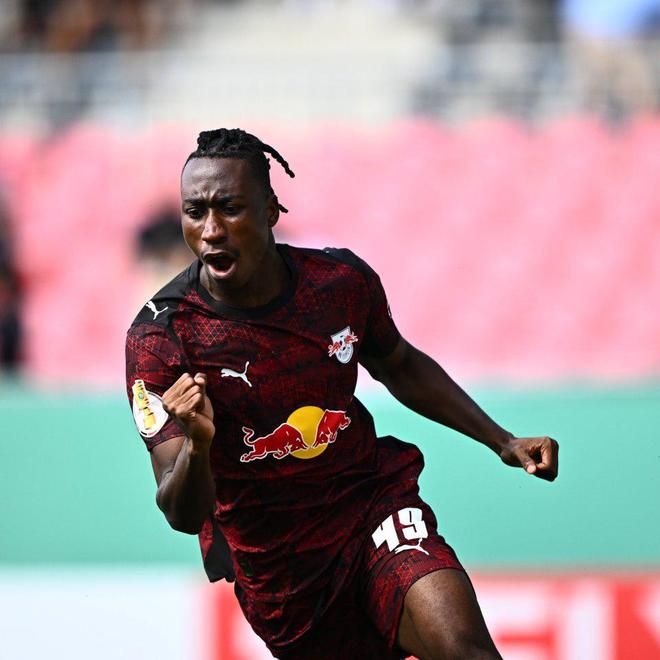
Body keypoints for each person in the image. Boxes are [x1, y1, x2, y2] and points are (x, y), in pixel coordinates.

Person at [125, 128, 559, 659]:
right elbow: (182, 513)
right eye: (195, 213)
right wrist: (197, 442)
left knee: (467, 651)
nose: (211, 230)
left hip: (371, 504)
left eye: (230, 209)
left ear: (270, 211)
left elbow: (398, 363)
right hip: (283, 574)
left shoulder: (339, 284)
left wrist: (501, 440)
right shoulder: (160, 340)